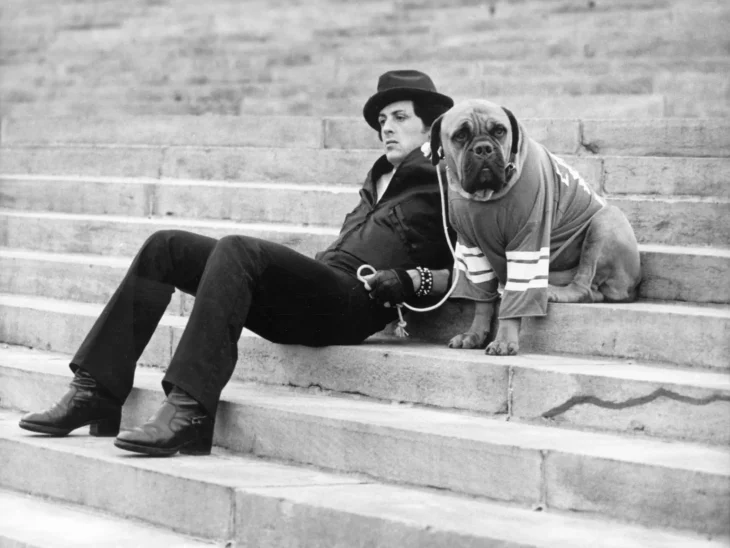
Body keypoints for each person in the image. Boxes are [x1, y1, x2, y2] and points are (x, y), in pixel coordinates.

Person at [18, 70, 455, 457]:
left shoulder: (446, 181)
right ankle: (97, 390)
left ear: (431, 125)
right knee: (165, 245)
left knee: (239, 247)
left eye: (399, 118)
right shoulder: (376, 181)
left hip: (355, 303)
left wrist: (411, 279)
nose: (386, 129)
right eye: (382, 122)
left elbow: (473, 270)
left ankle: (189, 409)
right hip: (318, 292)